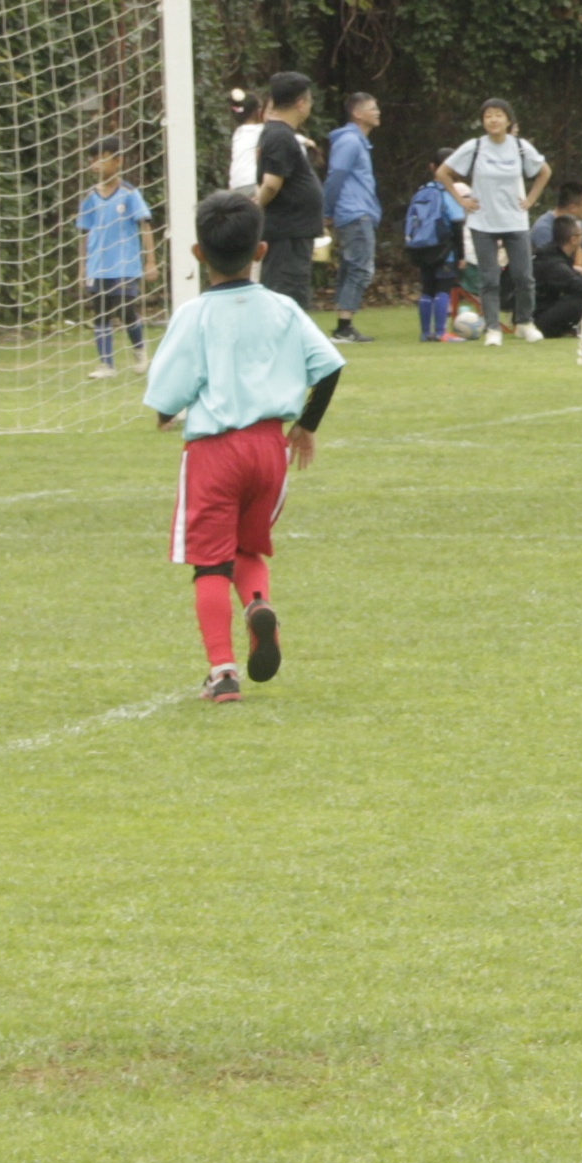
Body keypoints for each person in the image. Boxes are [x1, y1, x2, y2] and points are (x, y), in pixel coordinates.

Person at [143, 191, 344, 705]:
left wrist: (167, 413)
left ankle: (222, 671)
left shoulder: (195, 316)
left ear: (197, 254)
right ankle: (257, 605)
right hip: (268, 449)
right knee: (247, 547)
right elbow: (330, 365)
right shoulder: (283, 307)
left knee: (209, 563)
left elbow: (168, 392)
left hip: (215, 451)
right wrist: (307, 425)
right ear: (261, 251)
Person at [443, 100, 550, 344]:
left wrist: (531, 199)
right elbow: (443, 172)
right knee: (489, 278)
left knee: (523, 276)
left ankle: (525, 322)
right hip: (483, 222)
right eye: (488, 116)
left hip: (515, 220)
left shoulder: (520, 147)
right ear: (483, 121)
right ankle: (493, 329)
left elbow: (545, 171)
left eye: (498, 115)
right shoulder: (476, 147)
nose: (493, 120)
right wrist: (462, 200)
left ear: (508, 120)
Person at [74, 147, 157, 379]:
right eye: (93, 160)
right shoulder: (90, 196)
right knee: (100, 313)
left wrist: (150, 261)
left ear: (118, 161)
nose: (96, 165)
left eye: (102, 159)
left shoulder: (129, 193)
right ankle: (106, 365)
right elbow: (84, 233)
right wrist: (82, 266)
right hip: (98, 265)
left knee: (126, 309)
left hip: (124, 264)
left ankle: (140, 352)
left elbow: (145, 225)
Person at [250, 72, 325, 308]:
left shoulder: (279, 134)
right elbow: (271, 183)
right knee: (286, 298)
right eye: (309, 101)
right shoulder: (280, 135)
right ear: (300, 104)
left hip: (293, 232)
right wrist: (255, 205)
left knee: (291, 295)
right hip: (287, 234)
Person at [323, 91, 382, 342]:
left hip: (356, 212)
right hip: (355, 214)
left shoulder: (357, 142)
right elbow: (336, 175)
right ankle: (344, 327)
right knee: (360, 268)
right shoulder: (350, 141)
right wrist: (326, 211)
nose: (377, 112)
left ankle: (343, 324)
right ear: (357, 113)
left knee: (351, 267)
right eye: (372, 108)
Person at [402, 159, 464, 341]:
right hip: (444, 249)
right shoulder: (448, 193)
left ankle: (424, 333)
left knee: (427, 289)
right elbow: (457, 225)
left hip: (421, 247)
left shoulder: (421, 191)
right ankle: (441, 332)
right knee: (443, 289)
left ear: (432, 166)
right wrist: (461, 255)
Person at [531, 182, 582, 337]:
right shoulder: (551, 257)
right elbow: (569, 279)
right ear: (573, 239)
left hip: (557, 294)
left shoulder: (572, 230)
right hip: (539, 312)